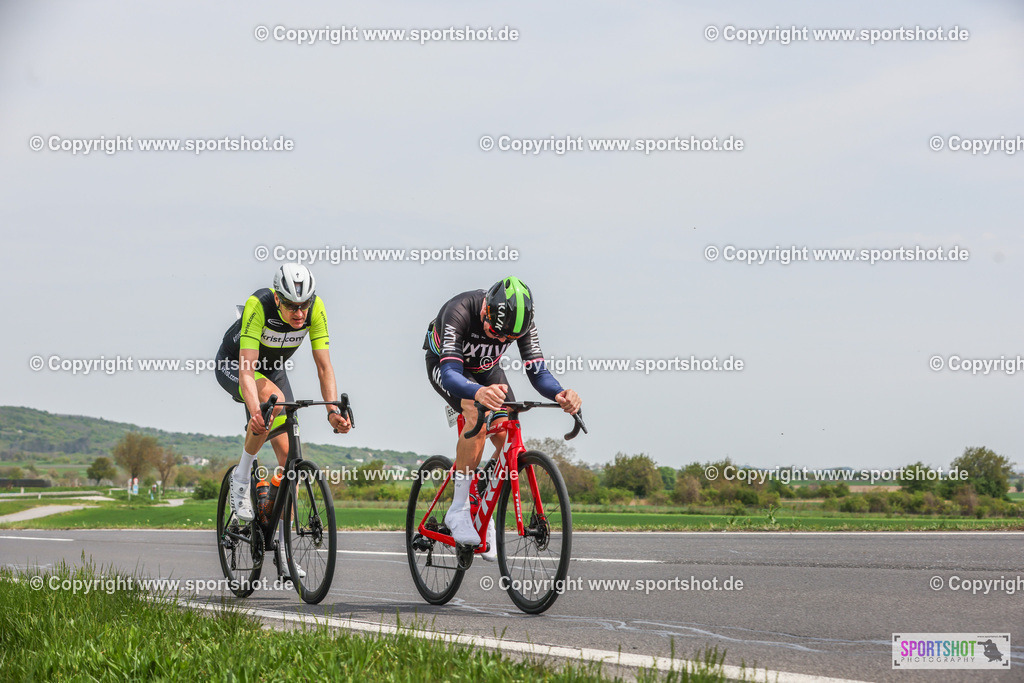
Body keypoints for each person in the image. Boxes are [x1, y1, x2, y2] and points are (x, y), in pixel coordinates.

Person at [424, 277, 581, 561]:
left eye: (506, 339)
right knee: (476, 413)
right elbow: (450, 374)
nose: (498, 340)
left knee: (507, 436)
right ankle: (459, 509)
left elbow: (537, 372)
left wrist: (560, 393)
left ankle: (482, 498)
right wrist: (477, 392)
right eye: (495, 333)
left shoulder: (523, 323)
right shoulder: (459, 310)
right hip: (448, 368)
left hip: (487, 371)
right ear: (486, 308)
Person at [215, 263, 351, 576]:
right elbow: (247, 370)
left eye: (304, 305)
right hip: (235, 365)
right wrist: (256, 412)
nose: (299, 313)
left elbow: (324, 367)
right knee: (272, 401)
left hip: (273, 371)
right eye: (291, 306)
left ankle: (282, 549)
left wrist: (332, 411)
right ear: (277, 298)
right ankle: (241, 477)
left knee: (290, 459)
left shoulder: (316, 309)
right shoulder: (258, 305)